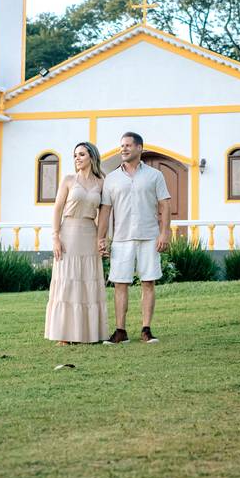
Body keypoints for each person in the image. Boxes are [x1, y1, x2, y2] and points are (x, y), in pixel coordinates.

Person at [98, 132, 172, 344]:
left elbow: (165, 205)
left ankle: (146, 330)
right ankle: (120, 331)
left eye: (129, 145)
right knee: (120, 284)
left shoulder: (155, 176)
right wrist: (100, 238)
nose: (124, 149)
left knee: (148, 282)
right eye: (122, 145)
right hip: (121, 239)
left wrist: (165, 233)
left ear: (140, 148)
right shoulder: (111, 179)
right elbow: (105, 211)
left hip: (149, 236)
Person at [45, 142, 109, 344]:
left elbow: (104, 214)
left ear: (91, 156)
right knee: (68, 280)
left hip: (89, 232)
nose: (77, 158)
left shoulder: (101, 182)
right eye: (75, 155)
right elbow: (57, 209)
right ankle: (64, 335)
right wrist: (55, 237)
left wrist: (102, 239)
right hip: (69, 233)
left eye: (81, 154)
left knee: (88, 279)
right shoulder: (69, 180)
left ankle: (89, 334)